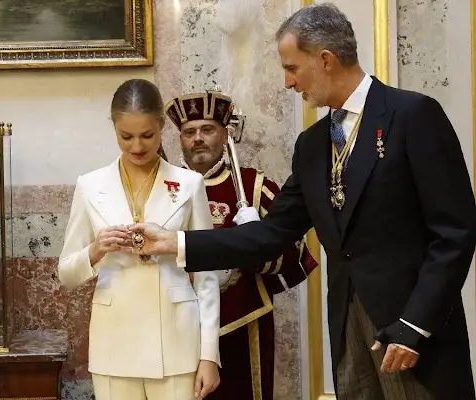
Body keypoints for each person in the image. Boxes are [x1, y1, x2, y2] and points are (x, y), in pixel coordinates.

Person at [124, 4, 476, 400]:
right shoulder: (312, 145)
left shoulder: (412, 115)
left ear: (325, 60)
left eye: (292, 68)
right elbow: (273, 232)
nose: (288, 83)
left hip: (412, 333)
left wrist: (416, 324)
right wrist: (176, 244)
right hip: (349, 330)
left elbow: (455, 233)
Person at [57, 78, 221, 400]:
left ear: (161, 126)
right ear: (113, 129)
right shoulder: (90, 185)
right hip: (114, 341)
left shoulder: (189, 184)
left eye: (147, 135)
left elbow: (206, 277)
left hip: (177, 341)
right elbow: (66, 274)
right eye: (125, 136)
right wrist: (95, 249)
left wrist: (209, 355)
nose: (136, 147)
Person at [165, 90, 318, 400]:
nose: (198, 139)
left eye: (207, 129)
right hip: (176, 325)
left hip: (243, 321)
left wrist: (256, 240)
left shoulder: (254, 186)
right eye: (189, 132)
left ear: (225, 134)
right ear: (179, 139)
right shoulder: (162, 188)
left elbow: (295, 256)